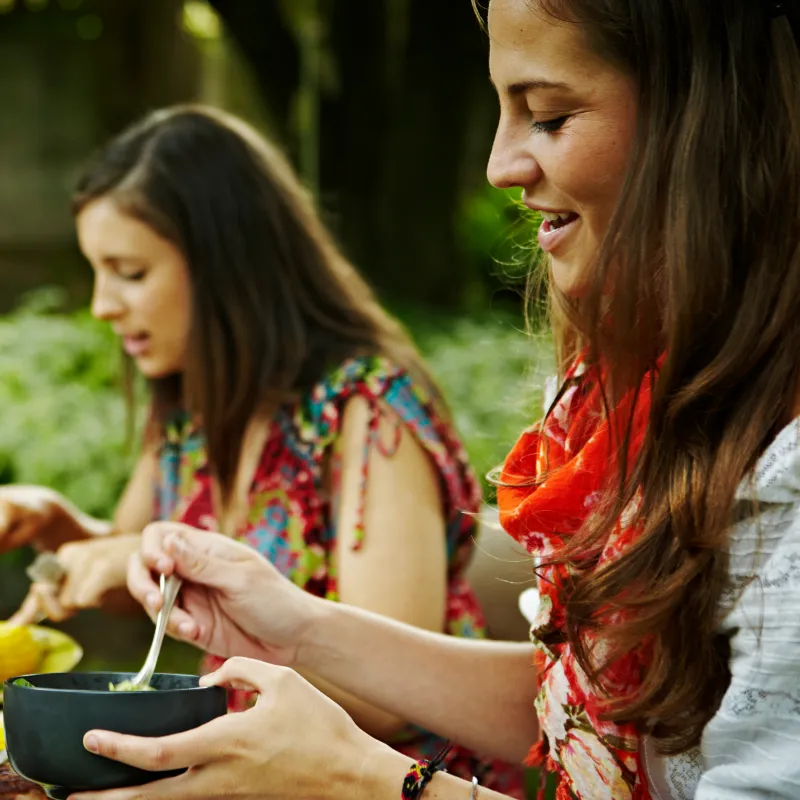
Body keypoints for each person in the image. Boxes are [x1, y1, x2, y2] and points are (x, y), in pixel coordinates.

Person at [61, 0, 800, 798]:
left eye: (548, 116)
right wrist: (295, 624)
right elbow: (593, 706)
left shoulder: (366, 409)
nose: (499, 165)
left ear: (707, 124)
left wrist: (357, 778)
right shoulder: (672, 401)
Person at [0, 105, 525, 795]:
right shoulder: (189, 404)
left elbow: (389, 702)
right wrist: (78, 535)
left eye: (128, 272)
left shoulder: (365, 413)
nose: (102, 304)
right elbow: (150, 575)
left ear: (226, 264)